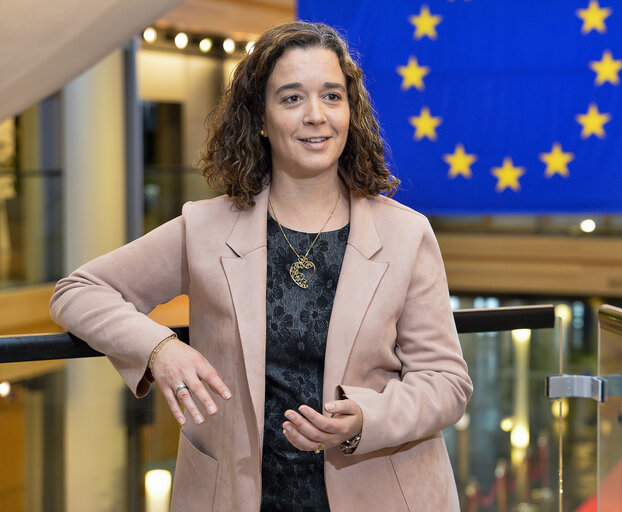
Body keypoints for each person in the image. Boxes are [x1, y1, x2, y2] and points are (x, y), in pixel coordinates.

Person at [50, 21, 472, 512]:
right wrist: (160, 348)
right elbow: (78, 290)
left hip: (382, 491)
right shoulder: (204, 228)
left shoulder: (407, 233)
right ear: (260, 118)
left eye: (332, 96)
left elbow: (446, 382)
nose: (316, 116)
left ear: (350, 111)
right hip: (235, 495)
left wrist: (365, 417)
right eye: (292, 98)